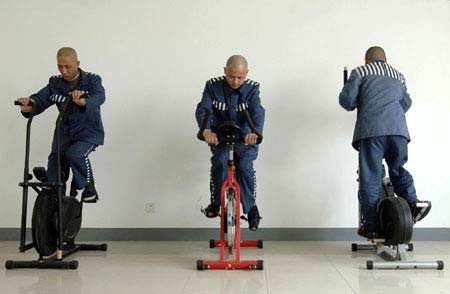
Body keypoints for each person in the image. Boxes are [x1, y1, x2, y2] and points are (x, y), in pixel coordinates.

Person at [339, 46, 431, 238]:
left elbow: (347, 101)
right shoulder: (398, 75)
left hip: (372, 132)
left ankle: (371, 226)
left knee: (371, 176)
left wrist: (359, 100)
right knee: (398, 169)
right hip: (398, 131)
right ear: (386, 60)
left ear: (366, 61)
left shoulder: (360, 72)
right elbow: (406, 103)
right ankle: (413, 203)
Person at [17, 47, 105, 203]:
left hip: (88, 131)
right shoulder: (55, 83)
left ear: (77, 63)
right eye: (60, 66)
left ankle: (88, 185)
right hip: (64, 132)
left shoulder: (92, 80)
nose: (64, 71)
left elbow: (100, 96)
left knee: (75, 154)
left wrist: (84, 101)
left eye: (68, 66)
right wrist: (28, 105)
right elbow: (40, 99)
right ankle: (55, 202)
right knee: (55, 163)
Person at [195, 55, 265, 230]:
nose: (235, 81)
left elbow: (257, 113)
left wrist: (253, 133)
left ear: (246, 73)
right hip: (220, 136)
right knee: (220, 161)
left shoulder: (252, 89)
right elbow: (204, 109)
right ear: (225, 71)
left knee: (245, 166)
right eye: (231, 76)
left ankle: (251, 209)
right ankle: (216, 203)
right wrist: (206, 130)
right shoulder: (212, 87)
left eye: (240, 77)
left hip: (246, 138)